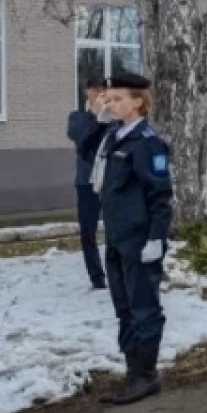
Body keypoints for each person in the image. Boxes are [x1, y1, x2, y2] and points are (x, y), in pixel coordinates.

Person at [93, 73, 174, 406]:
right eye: (109, 99)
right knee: (123, 306)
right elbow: (85, 153)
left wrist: (156, 238)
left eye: (117, 99)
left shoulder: (147, 142)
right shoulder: (114, 137)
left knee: (143, 308)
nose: (110, 104)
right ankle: (133, 370)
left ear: (138, 102)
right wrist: (98, 123)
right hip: (117, 236)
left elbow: (160, 196)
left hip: (140, 240)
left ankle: (145, 375)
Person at [67, 78, 111, 290]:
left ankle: (116, 270)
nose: (101, 92)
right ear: (87, 91)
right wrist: (94, 114)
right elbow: (77, 136)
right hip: (87, 182)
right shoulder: (78, 117)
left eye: (104, 89)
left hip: (110, 181)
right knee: (88, 231)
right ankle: (96, 276)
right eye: (96, 89)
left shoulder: (112, 118)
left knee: (116, 228)